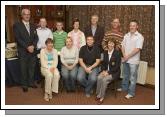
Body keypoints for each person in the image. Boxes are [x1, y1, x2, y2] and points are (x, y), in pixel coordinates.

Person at [117, 20, 144, 99]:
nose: (132, 27)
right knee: (125, 75)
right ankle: (124, 88)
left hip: (133, 61)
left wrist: (127, 57)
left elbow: (137, 49)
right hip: (126, 59)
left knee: (132, 78)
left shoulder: (140, 36)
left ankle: (131, 93)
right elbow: (122, 46)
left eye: (133, 25)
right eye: (130, 25)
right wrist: (124, 55)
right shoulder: (126, 35)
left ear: (137, 26)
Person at [13, 8, 38, 92]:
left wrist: (33, 46)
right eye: (25, 14)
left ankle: (31, 82)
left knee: (32, 68)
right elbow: (18, 38)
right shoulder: (17, 25)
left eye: (28, 14)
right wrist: (27, 47)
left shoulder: (33, 25)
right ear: (22, 15)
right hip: (23, 51)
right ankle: (24, 84)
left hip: (32, 51)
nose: (27, 16)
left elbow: (36, 37)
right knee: (23, 68)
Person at [95, 40, 121, 104]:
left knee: (104, 80)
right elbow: (103, 64)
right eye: (109, 43)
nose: (110, 45)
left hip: (114, 72)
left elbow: (117, 66)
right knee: (99, 77)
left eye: (112, 43)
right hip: (105, 71)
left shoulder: (117, 53)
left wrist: (108, 73)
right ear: (107, 44)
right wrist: (103, 71)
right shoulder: (105, 52)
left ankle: (102, 97)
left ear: (114, 45)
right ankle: (98, 94)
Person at [36, 17, 53, 82]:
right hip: (39, 49)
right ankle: (40, 78)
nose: (43, 23)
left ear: (46, 23)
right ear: (39, 23)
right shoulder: (36, 30)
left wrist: (46, 47)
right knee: (39, 64)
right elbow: (35, 41)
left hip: (48, 49)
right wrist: (40, 47)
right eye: (41, 22)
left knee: (48, 63)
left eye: (44, 22)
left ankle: (48, 75)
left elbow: (51, 40)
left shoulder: (49, 31)